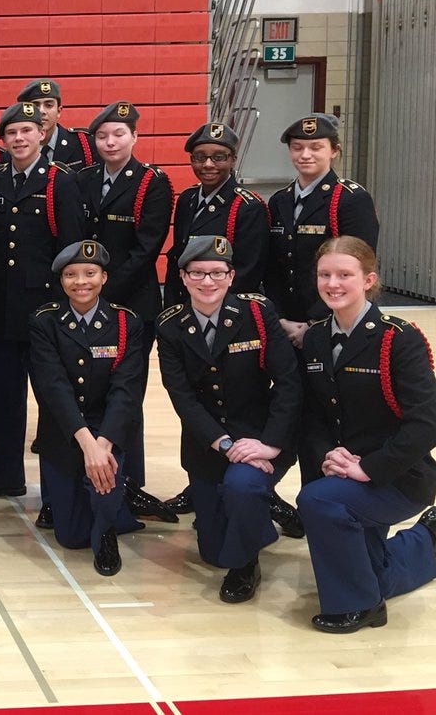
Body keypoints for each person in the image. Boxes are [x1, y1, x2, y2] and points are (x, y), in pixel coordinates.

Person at [295, 236, 436, 632]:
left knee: (317, 500)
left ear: (368, 280)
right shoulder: (316, 337)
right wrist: (329, 455)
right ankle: (428, 539)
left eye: (344, 275)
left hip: (396, 476)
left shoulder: (398, 338)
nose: (332, 284)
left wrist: (368, 468)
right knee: (373, 571)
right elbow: (313, 414)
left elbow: (426, 422)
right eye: (324, 275)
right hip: (342, 471)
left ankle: (361, 606)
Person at [157, 236, 301, 603]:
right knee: (214, 552)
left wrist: (270, 444)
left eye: (217, 273)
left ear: (231, 276)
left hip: (260, 437)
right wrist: (223, 444)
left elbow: (288, 382)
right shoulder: (170, 326)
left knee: (242, 490)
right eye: (198, 273)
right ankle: (260, 508)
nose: (208, 282)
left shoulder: (257, 313)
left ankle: (246, 565)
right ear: (183, 277)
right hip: (208, 446)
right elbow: (183, 398)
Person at [76, 100, 176, 523]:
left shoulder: (153, 182)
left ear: (135, 136)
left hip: (131, 305)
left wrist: (101, 291)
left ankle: (130, 483)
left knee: (126, 394)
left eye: (118, 134)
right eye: (102, 136)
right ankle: (92, 479)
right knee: (90, 392)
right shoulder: (82, 178)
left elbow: (147, 246)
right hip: (84, 303)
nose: (110, 142)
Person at [0, 101, 84, 499]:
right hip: (3, 309)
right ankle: (5, 476)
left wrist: (64, 309)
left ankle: (57, 492)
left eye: (26, 131)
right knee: (6, 400)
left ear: (42, 133)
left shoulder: (60, 181)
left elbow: (71, 250)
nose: (19, 138)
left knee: (53, 401)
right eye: (11, 133)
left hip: (46, 310)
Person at [29, 241, 143, 575]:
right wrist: (87, 444)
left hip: (108, 429)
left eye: (90, 273)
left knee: (104, 476)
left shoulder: (126, 323)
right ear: (61, 280)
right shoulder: (45, 321)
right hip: (65, 431)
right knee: (71, 537)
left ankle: (107, 533)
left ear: (104, 277)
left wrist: (102, 444)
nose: (81, 282)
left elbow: (126, 390)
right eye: (71, 275)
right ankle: (119, 502)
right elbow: (54, 387)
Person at [266, 113, 379, 347]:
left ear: (334, 150)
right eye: (297, 147)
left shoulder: (351, 199)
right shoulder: (279, 200)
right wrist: (280, 318)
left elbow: (358, 264)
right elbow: (273, 266)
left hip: (336, 319)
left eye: (316, 147)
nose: (305, 155)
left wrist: (314, 322)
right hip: (286, 323)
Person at [163, 123, 269, 307]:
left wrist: (205, 309)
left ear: (233, 160)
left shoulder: (248, 207)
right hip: (185, 305)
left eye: (219, 157)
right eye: (200, 157)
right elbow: (177, 258)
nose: (208, 164)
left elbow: (247, 274)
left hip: (225, 309)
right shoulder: (187, 199)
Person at [15, 78, 96, 171]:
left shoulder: (84, 144)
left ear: (59, 111)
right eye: (35, 106)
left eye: (48, 105)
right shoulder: (16, 149)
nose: (42, 111)